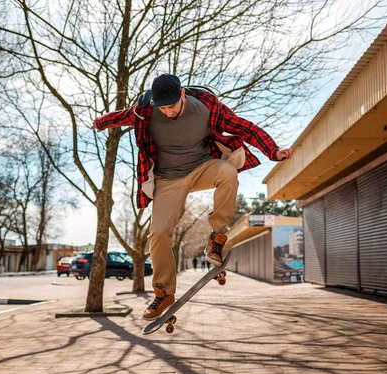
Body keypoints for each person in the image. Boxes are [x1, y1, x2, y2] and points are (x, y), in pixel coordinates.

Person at [93, 74, 293, 321]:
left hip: (202, 169)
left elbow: (245, 127)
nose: (167, 112)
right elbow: (121, 116)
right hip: (168, 180)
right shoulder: (145, 110)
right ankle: (164, 293)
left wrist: (273, 150)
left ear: (183, 95)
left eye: (172, 106)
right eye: (162, 107)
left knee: (228, 171)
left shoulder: (207, 106)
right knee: (158, 233)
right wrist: (101, 122)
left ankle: (216, 238)